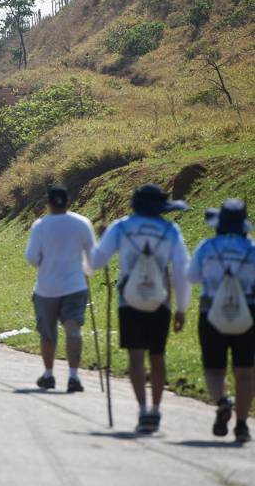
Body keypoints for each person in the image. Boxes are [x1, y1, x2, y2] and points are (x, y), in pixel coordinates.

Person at [91, 183, 190, 434]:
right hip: (161, 301)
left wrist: (101, 238)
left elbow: (96, 261)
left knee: (135, 356)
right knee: (157, 356)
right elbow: (180, 270)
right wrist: (182, 308)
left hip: (129, 300)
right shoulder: (170, 230)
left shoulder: (121, 227)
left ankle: (143, 410)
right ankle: (156, 411)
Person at [186, 199, 255, 443]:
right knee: (245, 373)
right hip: (246, 315)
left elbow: (192, 277)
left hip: (211, 313)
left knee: (214, 368)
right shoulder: (251, 249)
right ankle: (242, 425)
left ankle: (223, 402)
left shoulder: (208, 247)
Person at [24, 185, 96, 393]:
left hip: (47, 287)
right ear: (68, 202)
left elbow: (32, 258)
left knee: (48, 333)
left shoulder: (40, 225)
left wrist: (46, 264)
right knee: (73, 330)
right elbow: (92, 258)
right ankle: (73, 376)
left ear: (48, 203)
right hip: (75, 286)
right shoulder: (82, 223)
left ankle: (48, 375)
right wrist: (86, 271)